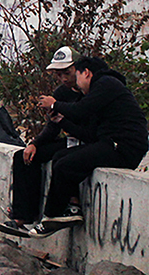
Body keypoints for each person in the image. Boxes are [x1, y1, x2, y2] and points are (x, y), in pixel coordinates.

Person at [23, 56, 149, 238]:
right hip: (109, 143)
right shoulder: (101, 95)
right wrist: (62, 121)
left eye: (76, 78)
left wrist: (54, 103)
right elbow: (90, 135)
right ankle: (73, 208)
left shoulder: (106, 84)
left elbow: (81, 110)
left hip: (124, 147)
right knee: (60, 157)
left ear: (86, 73)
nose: (77, 86)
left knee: (65, 165)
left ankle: (51, 217)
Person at [0, 46, 83, 236]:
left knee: (64, 158)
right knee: (24, 157)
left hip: (88, 140)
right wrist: (35, 143)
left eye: (67, 73)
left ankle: (64, 208)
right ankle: (22, 216)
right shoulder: (61, 93)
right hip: (70, 138)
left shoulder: (91, 90)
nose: (64, 79)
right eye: (59, 75)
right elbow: (53, 127)